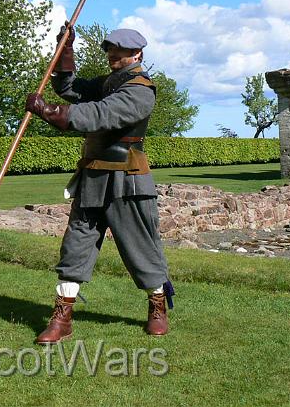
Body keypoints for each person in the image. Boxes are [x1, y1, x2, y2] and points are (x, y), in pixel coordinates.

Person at [25, 25, 173, 344]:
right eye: (109, 49)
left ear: (138, 54)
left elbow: (100, 114)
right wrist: (65, 51)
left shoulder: (141, 89)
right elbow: (70, 89)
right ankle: (62, 318)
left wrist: (49, 112)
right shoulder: (109, 83)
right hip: (92, 178)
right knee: (76, 244)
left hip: (127, 181)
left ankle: (157, 308)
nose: (112, 55)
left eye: (119, 50)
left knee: (140, 248)